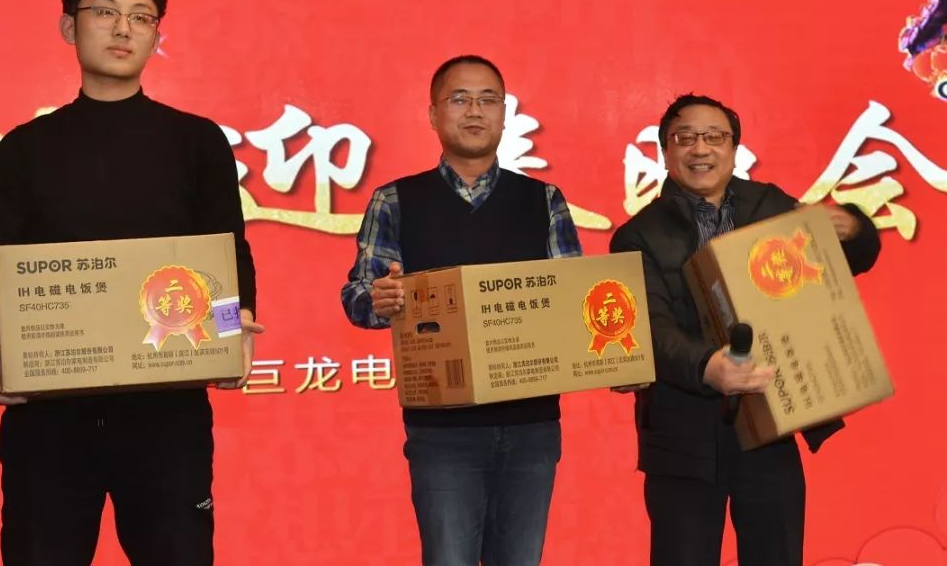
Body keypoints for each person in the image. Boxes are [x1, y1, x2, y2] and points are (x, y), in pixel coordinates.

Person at [0, 0, 261, 566]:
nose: (124, 29)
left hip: (165, 413)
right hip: (49, 416)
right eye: (105, 11)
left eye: (141, 17)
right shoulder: (24, 149)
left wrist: (232, 331)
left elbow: (227, 254)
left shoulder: (196, 141)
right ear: (68, 27)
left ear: (156, 37)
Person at [609, 93, 881, 566]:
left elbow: (844, 262)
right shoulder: (637, 235)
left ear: (735, 149)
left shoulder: (770, 205)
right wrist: (705, 366)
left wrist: (854, 230)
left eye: (714, 137)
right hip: (682, 433)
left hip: (771, 419)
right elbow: (649, 325)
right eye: (685, 138)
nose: (700, 149)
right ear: (665, 151)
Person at [341, 55, 582, 566]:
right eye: (459, 99)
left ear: (504, 114)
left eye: (488, 100)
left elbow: (571, 300)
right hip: (442, 429)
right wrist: (381, 300)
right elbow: (359, 296)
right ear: (433, 114)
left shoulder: (544, 200)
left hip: (532, 424)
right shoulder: (395, 200)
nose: (475, 111)